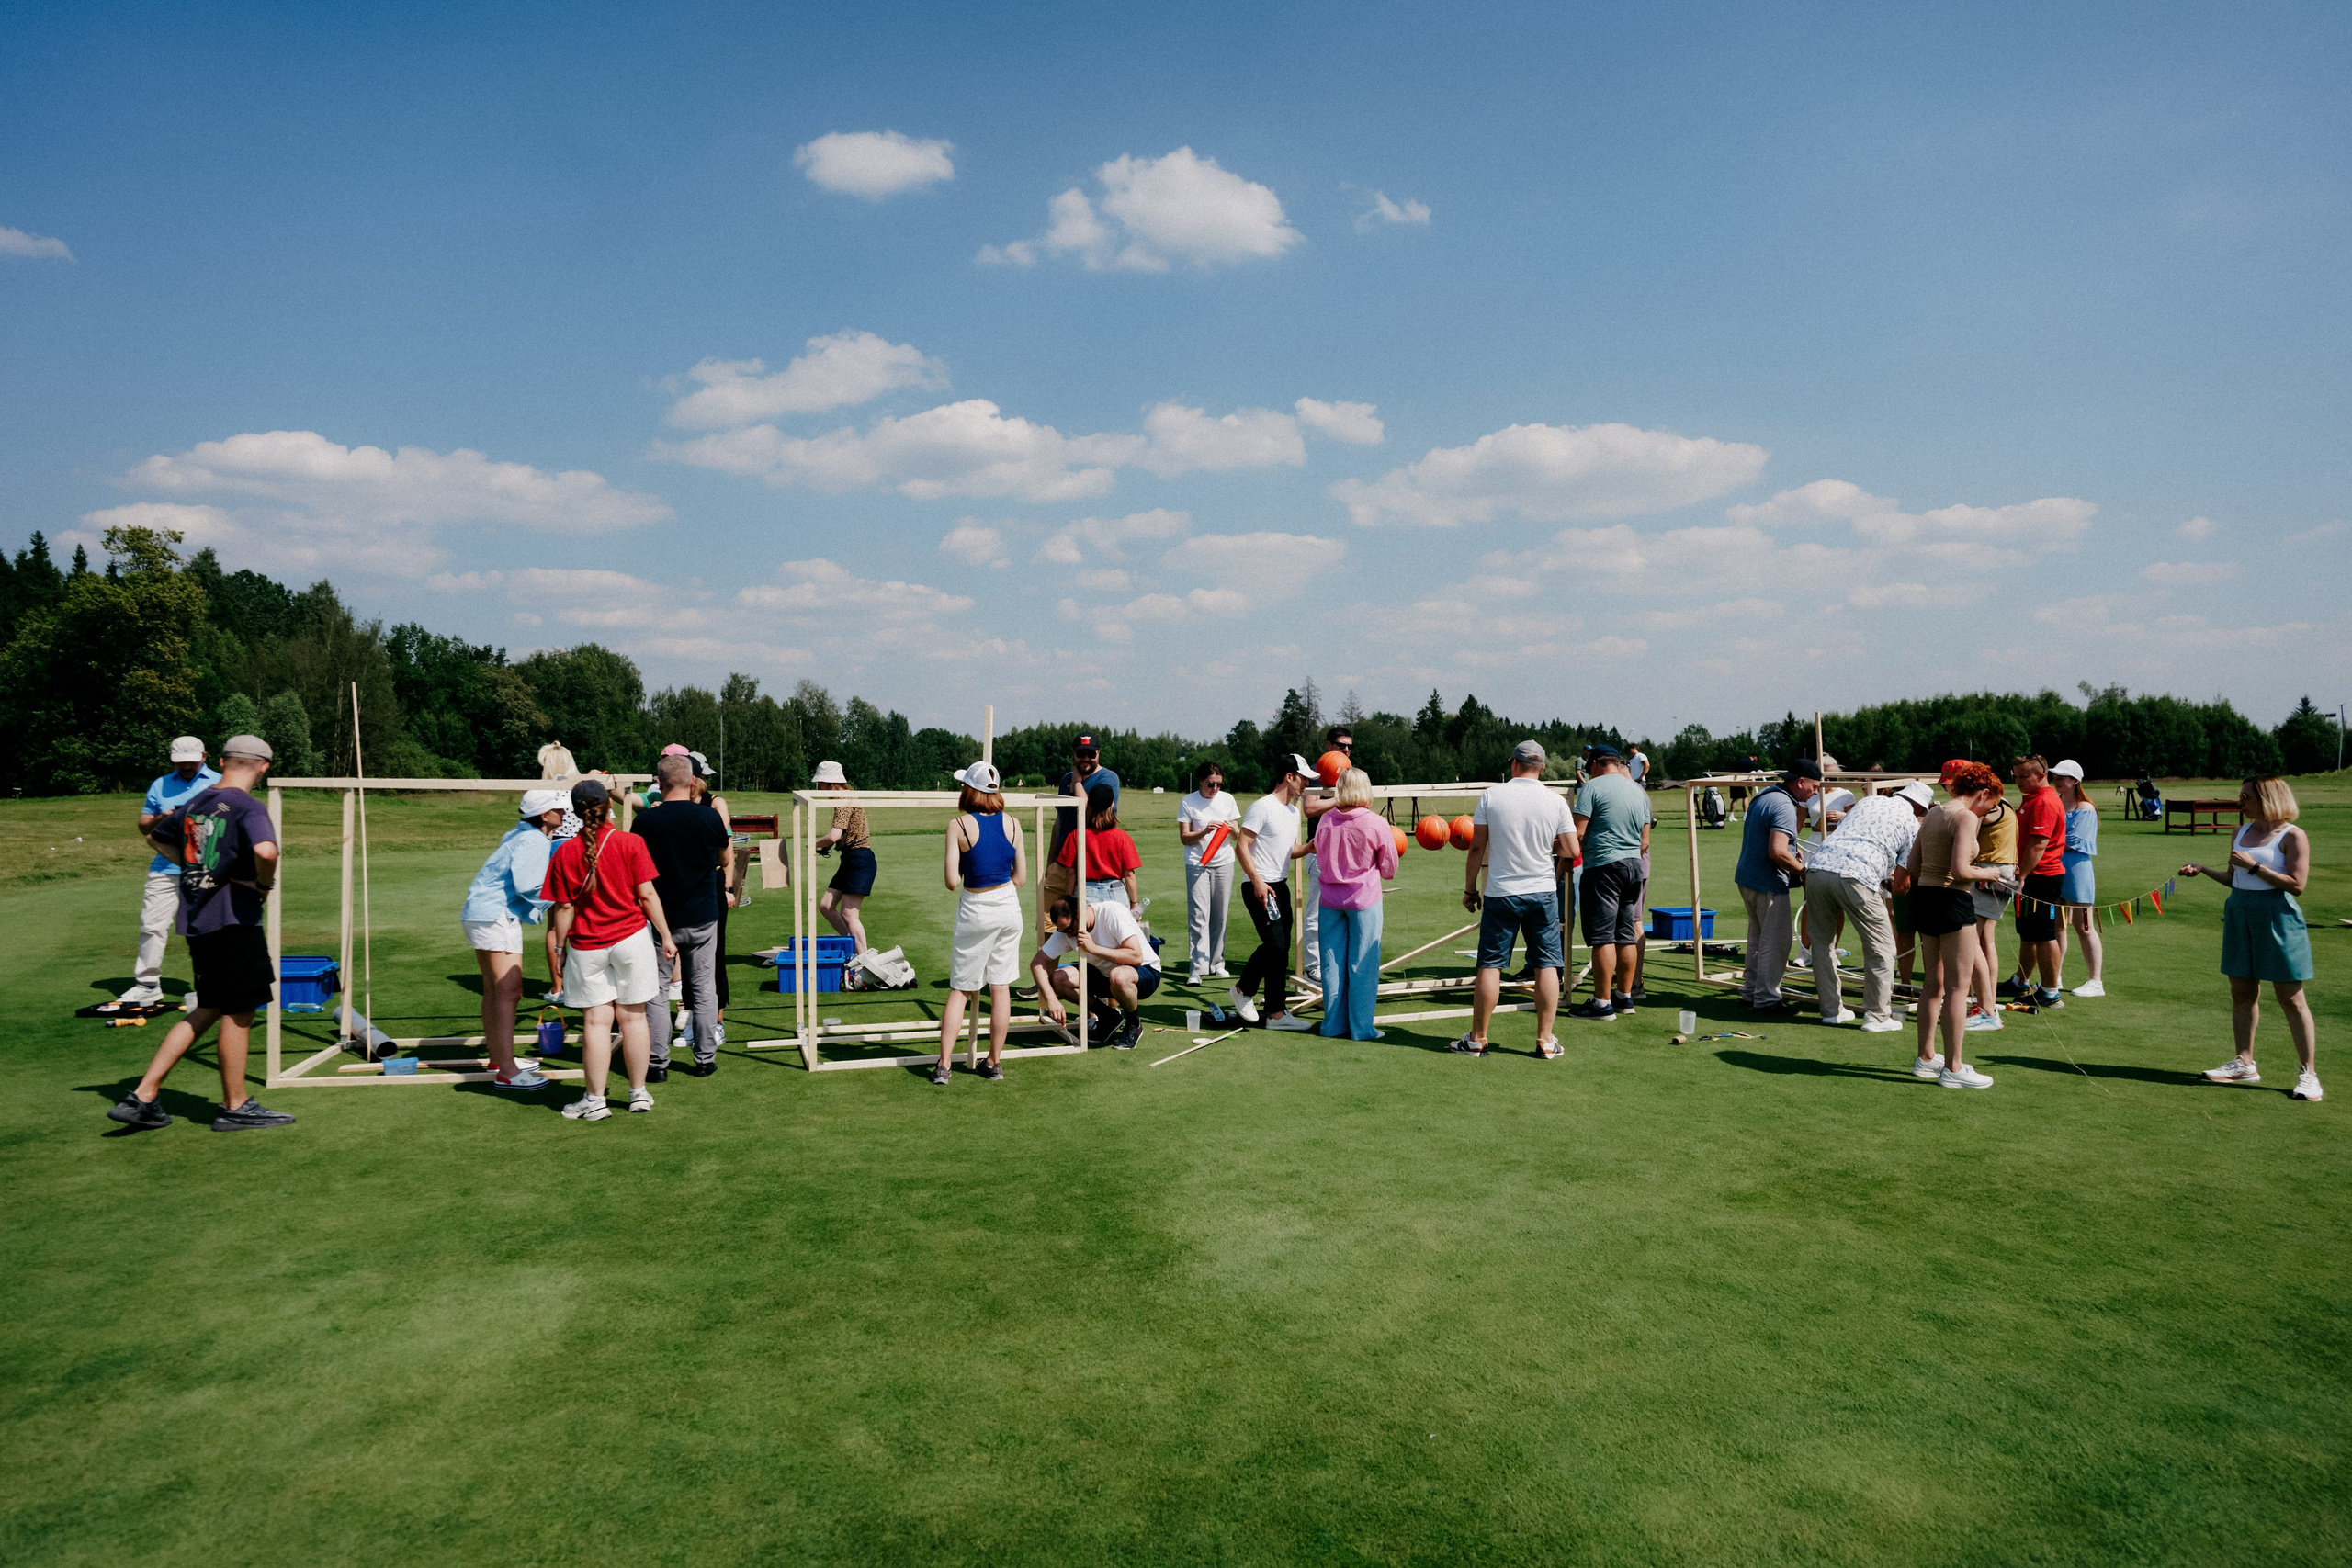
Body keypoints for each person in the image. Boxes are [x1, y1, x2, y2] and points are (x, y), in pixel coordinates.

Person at [106, 736, 298, 1132]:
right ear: (263, 768)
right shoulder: (247, 804)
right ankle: (235, 1105)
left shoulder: (195, 802)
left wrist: (199, 872)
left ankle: (143, 1094)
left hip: (199, 921)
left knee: (208, 1007)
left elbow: (155, 837)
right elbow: (266, 852)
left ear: (223, 761)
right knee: (240, 1010)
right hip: (234, 921)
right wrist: (263, 886)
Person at [539, 778, 675, 1121]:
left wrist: (558, 949)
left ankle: (595, 1099)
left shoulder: (565, 851)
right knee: (635, 1018)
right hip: (632, 939)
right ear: (608, 806)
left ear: (574, 811)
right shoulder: (631, 843)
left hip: (588, 945)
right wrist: (666, 935)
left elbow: (564, 908)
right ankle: (638, 1093)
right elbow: (647, 894)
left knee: (596, 1023)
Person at [2182, 776, 2321, 1101]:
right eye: (2240, 796)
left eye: (2246, 797)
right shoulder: (2239, 832)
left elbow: (2296, 884)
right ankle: (2244, 1062)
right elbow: (2235, 879)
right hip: (2239, 914)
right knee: (2241, 991)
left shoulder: (2293, 835)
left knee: (2291, 997)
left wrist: (2256, 866)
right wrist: (2202, 869)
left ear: (2268, 799)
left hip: (2278, 918)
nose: (2240, 802)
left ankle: (2309, 1074)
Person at [1453, 740, 1580, 1057]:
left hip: (1501, 893)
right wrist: (1547, 843)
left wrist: (1470, 889)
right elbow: (1573, 851)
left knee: (1490, 965)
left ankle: (1478, 1038)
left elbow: (1476, 847)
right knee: (1548, 965)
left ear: (1513, 765)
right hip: (1541, 891)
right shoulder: (1555, 801)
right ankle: (1546, 1041)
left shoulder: (1492, 796)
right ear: (1543, 768)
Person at [1905, 762, 2008, 1088]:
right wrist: (1990, 873)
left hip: (1925, 898)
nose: (1989, 811)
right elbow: (1962, 870)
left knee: (1933, 985)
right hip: (1952, 900)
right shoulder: (1964, 816)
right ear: (1983, 793)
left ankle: (1925, 1058)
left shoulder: (1935, 811)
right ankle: (1954, 1068)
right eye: (1991, 804)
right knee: (1957, 989)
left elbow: (1913, 865)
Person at [458, 788, 567, 1090]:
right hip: (495, 915)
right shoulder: (533, 839)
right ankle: (507, 1070)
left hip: (480, 912)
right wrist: (562, 897)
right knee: (509, 992)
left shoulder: (520, 833)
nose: (564, 813)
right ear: (545, 816)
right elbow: (530, 886)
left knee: (494, 991)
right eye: (559, 809)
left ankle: (499, 1058)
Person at [1803, 781, 1932, 1031]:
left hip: (1817, 868)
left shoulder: (1867, 802)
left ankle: (1831, 1011)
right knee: (1882, 947)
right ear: (1918, 807)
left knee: (1822, 943)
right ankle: (1877, 1015)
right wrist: (1894, 881)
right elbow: (1901, 886)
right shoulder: (1911, 824)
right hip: (1856, 876)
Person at [633, 754, 731, 1079]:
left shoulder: (646, 822)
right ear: (692, 782)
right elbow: (725, 857)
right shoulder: (709, 818)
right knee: (704, 988)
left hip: (660, 918)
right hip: (702, 914)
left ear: (659, 785)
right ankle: (704, 1059)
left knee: (658, 990)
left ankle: (657, 1064)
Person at [111, 736, 220, 1010]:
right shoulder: (160, 785)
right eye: (180, 763)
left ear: (204, 756)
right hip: (165, 865)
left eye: (191, 762)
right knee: (152, 925)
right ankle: (147, 986)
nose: (186, 767)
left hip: (206, 866)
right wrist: (164, 818)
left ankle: (210, 986)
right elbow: (144, 826)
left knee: (207, 930)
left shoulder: (220, 782)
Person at [934, 761, 1027, 1084]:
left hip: (976, 908)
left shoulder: (958, 825)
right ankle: (993, 1062)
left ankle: (944, 1064)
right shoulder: (1014, 823)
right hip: (1008, 908)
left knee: (961, 988)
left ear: (969, 790)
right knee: (1000, 987)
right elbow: (1022, 878)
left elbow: (950, 881)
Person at [1231, 753, 1314, 1032]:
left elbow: (1286, 851)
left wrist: (1310, 847)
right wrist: (1257, 882)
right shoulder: (1261, 807)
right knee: (1275, 946)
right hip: (1259, 886)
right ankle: (1243, 990)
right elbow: (1241, 846)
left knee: (1281, 950)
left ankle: (1276, 1014)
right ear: (1289, 777)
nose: (1306, 785)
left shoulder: (1293, 812)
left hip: (1279, 885)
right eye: (1303, 779)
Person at [1315, 767, 1398, 1041]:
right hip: (1364, 900)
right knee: (1363, 964)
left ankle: (1332, 1024)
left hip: (1329, 900)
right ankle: (1361, 1027)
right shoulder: (1374, 822)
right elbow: (1389, 869)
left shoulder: (1325, 820)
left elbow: (1320, 857)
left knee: (1331, 964)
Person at [1569, 745, 1650, 1021]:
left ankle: (1602, 1003)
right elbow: (1645, 839)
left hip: (1603, 867)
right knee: (1626, 933)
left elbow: (1577, 835)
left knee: (1602, 936)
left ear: (1593, 765)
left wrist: (1559, 856)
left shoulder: (1592, 788)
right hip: (1633, 866)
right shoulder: (1638, 791)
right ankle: (1624, 997)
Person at [1734, 760, 1821, 1012]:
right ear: (1800, 781)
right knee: (1776, 942)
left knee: (1757, 940)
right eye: (1814, 786)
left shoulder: (1765, 795)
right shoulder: (1784, 805)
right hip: (1768, 882)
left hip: (1748, 878)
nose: (1815, 792)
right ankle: (1767, 999)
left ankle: (1751, 991)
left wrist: (1793, 854)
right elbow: (1777, 852)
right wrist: (1802, 871)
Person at [1035, 892, 1161, 1051]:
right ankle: (1109, 1017)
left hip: (1145, 971)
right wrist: (1051, 998)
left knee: (1118, 976)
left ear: (1079, 914)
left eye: (1069, 928)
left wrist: (1094, 949)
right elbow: (1037, 963)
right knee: (1059, 979)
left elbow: (1136, 957)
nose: (1068, 934)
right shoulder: (1067, 930)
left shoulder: (1112, 912)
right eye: (1062, 931)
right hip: (1105, 975)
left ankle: (1133, 1024)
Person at [2003, 755, 2068, 1011]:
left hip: (2042, 876)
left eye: (2024, 776)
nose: (2018, 781)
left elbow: (2038, 844)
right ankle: (2021, 982)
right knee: (2029, 933)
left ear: (2041, 775)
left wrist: (2021, 877)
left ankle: (2051, 993)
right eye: (2016, 776)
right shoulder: (2033, 798)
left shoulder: (2044, 801)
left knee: (2043, 935)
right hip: (2033, 875)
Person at [1042, 735, 1119, 938]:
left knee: (1091, 933)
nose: (1086, 759)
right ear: (1073, 754)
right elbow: (1060, 820)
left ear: (1098, 754)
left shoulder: (1107, 779)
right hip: (1061, 864)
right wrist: (1050, 862)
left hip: (1090, 868)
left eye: (1090, 754)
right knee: (1048, 927)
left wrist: (1077, 783)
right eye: (1080, 754)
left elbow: (1087, 809)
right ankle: (1047, 971)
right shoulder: (1065, 779)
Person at [1964, 771, 2018, 1032]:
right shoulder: (2005, 804)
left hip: (1990, 871)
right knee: (1985, 939)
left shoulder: (1987, 808)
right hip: (2002, 870)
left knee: (1971, 939)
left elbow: (1970, 845)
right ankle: (1987, 1004)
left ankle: (1986, 1009)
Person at [1297, 726, 1354, 974]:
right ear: (1329, 745)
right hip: (1320, 850)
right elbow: (1309, 808)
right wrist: (1342, 798)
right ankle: (1313, 966)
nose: (1346, 750)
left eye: (1350, 746)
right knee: (1316, 913)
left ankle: (1336, 962)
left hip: (1347, 851)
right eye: (1342, 745)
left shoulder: (1351, 773)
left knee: (1347, 911)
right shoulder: (1316, 772)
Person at [1177, 760, 1240, 983]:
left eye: (1219, 784)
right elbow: (1185, 838)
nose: (1214, 789)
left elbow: (1237, 836)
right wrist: (1204, 831)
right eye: (1210, 784)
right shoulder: (1188, 802)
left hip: (1224, 862)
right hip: (1197, 864)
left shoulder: (1228, 799)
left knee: (1220, 915)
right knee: (1198, 916)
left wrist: (1233, 829)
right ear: (1201, 782)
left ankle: (1217, 963)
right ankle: (1197, 968)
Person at [811, 760, 878, 960]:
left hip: (858, 859)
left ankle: (864, 960)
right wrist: (826, 846)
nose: (818, 787)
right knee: (825, 906)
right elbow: (840, 836)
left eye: (820, 784)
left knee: (849, 915)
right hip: (850, 857)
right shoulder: (845, 798)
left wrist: (812, 844)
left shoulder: (843, 799)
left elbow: (834, 835)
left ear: (829, 783)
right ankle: (850, 944)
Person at [2050, 759, 2104, 997]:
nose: (2058, 780)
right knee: (2058, 926)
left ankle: (2095, 981)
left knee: (2084, 926)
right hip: (2055, 868)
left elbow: (2073, 841)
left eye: (2063, 777)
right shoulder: (2057, 803)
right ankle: (2055, 976)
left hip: (2077, 870)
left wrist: (2047, 844)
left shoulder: (2085, 808)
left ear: (2075, 781)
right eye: (2056, 776)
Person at [1057, 784, 1140, 908]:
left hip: (1086, 892)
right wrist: (1134, 902)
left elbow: (1071, 873)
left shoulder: (1075, 836)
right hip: (1116, 891)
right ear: (1112, 805)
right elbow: (1129, 875)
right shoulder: (1123, 837)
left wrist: (1068, 901)